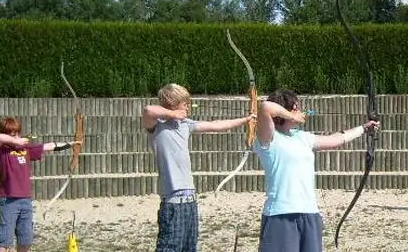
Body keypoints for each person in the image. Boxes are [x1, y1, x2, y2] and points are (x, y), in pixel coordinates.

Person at [254, 89, 380, 252]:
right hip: (280, 215)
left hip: (309, 213)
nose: (300, 111)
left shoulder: (302, 136)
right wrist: (292, 116)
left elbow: (336, 139)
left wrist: (363, 128)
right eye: (296, 107)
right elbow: (265, 107)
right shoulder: (268, 137)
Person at [141, 83, 256, 252]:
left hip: (190, 202)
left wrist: (246, 120)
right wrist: (173, 114)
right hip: (173, 203)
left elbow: (216, 125)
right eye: (184, 103)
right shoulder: (156, 126)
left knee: (190, 248)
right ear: (171, 103)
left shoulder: (185, 124)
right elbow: (147, 110)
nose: (188, 106)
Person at [0, 117, 82, 252]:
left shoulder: (26, 149)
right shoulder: (1, 150)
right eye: (12, 134)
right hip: (8, 199)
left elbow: (49, 146)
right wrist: (16, 141)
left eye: (17, 133)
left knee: (26, 240)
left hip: (25, 199)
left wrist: (72, 144)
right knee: (4, 241)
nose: (16, 136)